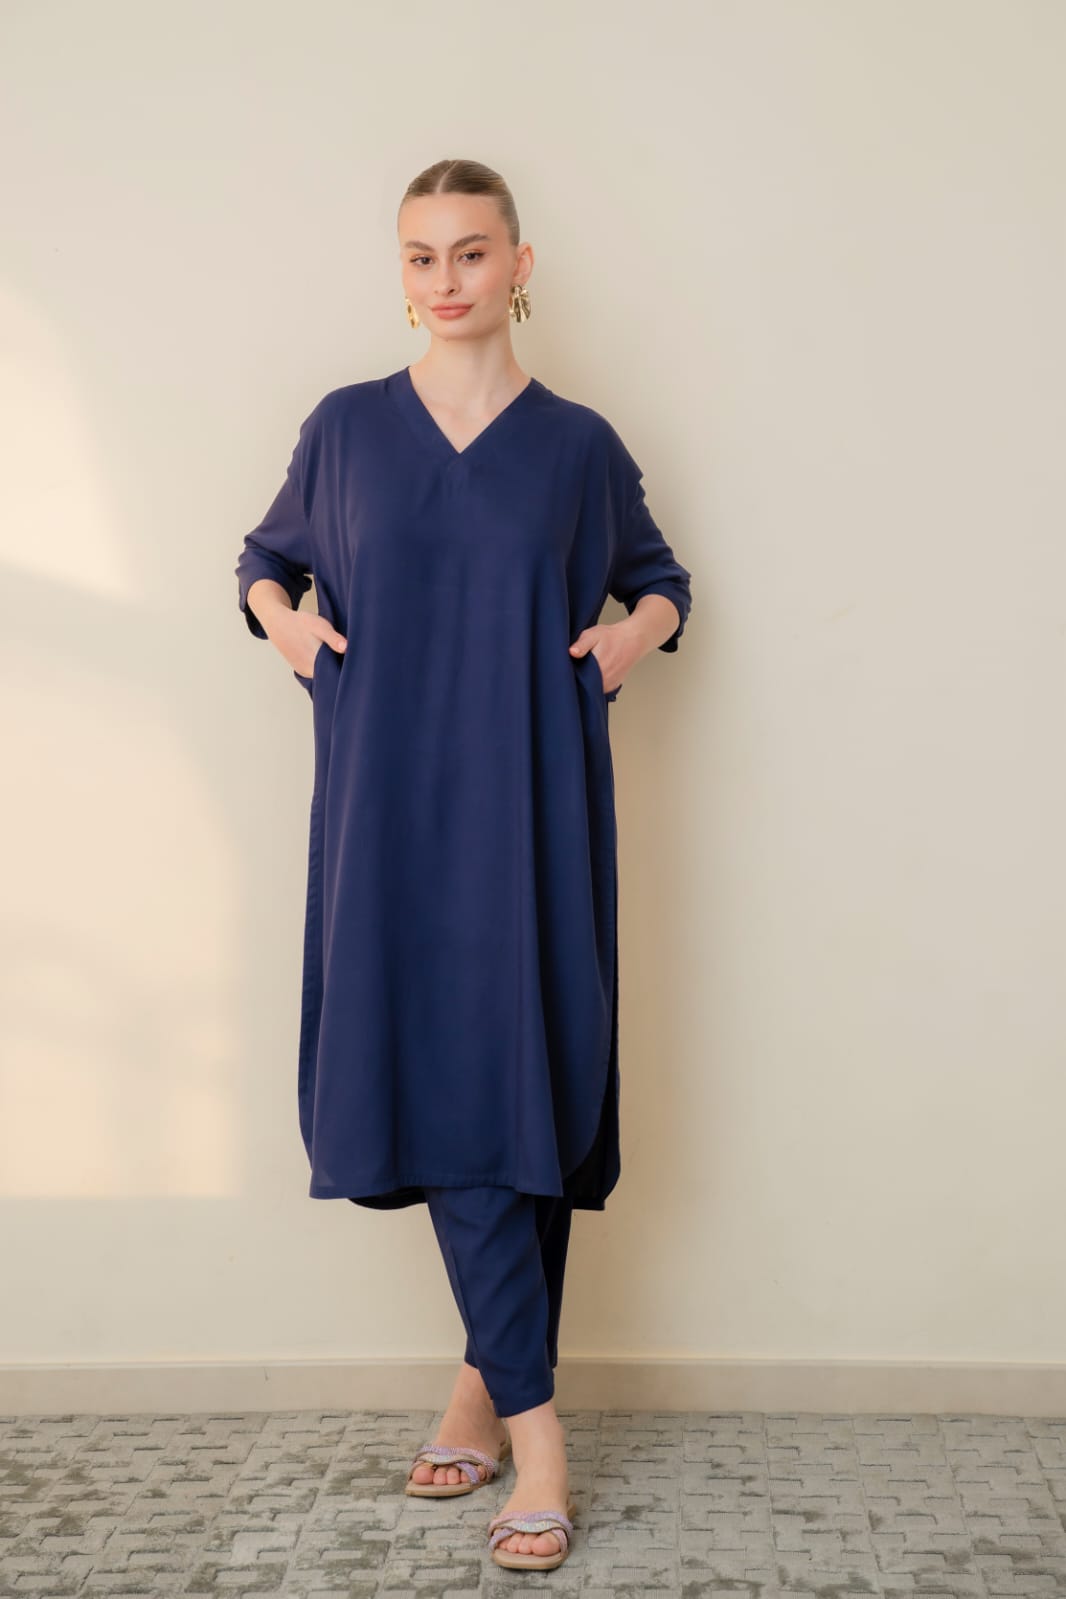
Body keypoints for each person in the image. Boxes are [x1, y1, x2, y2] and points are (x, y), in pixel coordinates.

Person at [234, 157, 693, 1572]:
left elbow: (662, 582)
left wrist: (624, 642)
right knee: (453, 1086)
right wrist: (286, 624)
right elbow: (264, 562)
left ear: (519, 265)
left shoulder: (575, 447)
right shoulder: (346, 429)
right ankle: (534, 1433)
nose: (446, 280)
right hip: (387, 811)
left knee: (527, 1086)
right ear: (403, 272)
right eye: (421, 256)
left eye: (472, 253)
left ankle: (481, 1401)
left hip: (533, 803)